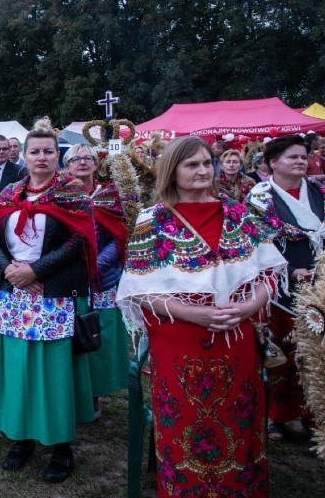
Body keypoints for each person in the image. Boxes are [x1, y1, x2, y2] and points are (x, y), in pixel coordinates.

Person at [117, 136, 286, 497]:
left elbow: (268, 273)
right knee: (184, 425)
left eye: (206, 163)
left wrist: (246, 308)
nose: (202, 170)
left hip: (236, 340)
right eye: (191, 164)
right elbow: (140, 289)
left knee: (240, 422)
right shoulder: (153, 220)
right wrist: (195, 313)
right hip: (180, 343)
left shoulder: (238, 214)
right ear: (172, 170)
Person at [0, 125, 97, 484]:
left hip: (52, 296)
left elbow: (79, 240)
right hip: (14, 295)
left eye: (49, 151)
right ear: (25, 155)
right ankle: (20, 440)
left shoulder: (71, 192)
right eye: (35, 152)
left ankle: (61, 447)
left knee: (53, 374)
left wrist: (35, 271)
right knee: (17, 369)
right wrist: (11, 271)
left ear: (57, 155)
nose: (42, 157)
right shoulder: (10, 192)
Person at [247, 134, 325, 440]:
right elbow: (257, 243)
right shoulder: (259, 198)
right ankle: (280, 417)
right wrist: (291, 271)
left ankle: (314, 414)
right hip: (281, 286)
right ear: (272, 163)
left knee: (317, 352)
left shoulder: (320, 190)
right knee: (285, 351)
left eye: (304, 157)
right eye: (292, 157)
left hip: (322, 282)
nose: (300, 162)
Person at [63, 144, 129, 419]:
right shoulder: (61, 195)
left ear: (96, 163)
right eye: (75, 159)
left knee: (96, 333)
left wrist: (97, 264)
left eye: (87, 158)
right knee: (70, 335)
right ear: (66, 166)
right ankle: (71, 393)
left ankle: (94, 394)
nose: (82, 162)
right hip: (68, 276)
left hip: (103, 279)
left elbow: (119, 236)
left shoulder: (109, 194)